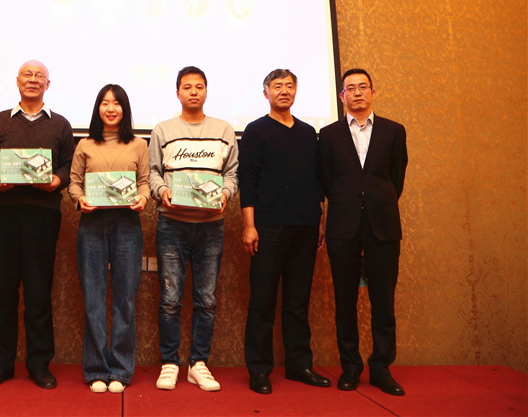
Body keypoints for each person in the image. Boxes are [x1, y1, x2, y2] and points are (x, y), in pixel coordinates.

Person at [0, 60, 75, 390]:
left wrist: (57, 181)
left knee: (38, 291)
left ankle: (39, 365)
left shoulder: (60, 124)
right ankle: (2, 364)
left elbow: (68, 164)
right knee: (2, 291)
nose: (33, 80)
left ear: (48, 84)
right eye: (27, 75)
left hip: (43, 215)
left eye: (39, 76)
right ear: (17, 81)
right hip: (3, 213)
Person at [239, 69, 331, 395]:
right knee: (262, 301)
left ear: (296, 91)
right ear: (266, 92)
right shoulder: (255, 130)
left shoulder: (308, 133)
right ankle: (259, 370)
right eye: (277, 86)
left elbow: (317, 180)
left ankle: (299, 365)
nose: (284, 91)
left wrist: (320, 220)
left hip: (305, 225)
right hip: (268, 227)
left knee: (297, 301)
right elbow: (247, 179)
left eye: (289, 86)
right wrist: (249, 226)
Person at [148, 66, 238, 392]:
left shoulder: (223, 130)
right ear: (178, 93)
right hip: (172, 224)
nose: (193, 92)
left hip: (211, 227)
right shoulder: (163, 129)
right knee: (170, 299)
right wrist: (162, 191)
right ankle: (170, 362)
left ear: (206, 91)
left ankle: (198, 363)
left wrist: (225, 194)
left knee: (207, 299)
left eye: (199, 86)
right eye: (187, 87)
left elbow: (232, 174)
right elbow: (152, 172)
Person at [319, 68, 408, 396]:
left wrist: (375, 202)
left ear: (372, 92)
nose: (357, 93)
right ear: (342, 96)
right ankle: (351, 368)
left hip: (382, 226)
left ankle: (381, 368)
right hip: (342, 226)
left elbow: (396, 178)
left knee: (383, 300)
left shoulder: (393, 131)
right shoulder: (328, 135)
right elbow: (326, 181)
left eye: (363, 87)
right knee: (345, 300)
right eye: (350, 88)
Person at [68, 84, 150, 394]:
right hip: (92, 224)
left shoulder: (139, 144)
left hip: (128, 224)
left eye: (117, 103)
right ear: (98, 108)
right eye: (105, 103)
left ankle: (121, 369)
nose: (111, 108)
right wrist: (79, 200)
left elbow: (144, 183)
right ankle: (96, 369)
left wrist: (143, 198)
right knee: (93, 298)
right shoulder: (85, 144)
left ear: (125, 109)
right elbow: (74, 183)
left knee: (125, 299)